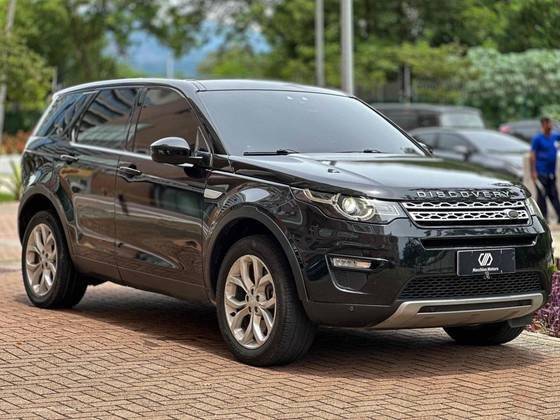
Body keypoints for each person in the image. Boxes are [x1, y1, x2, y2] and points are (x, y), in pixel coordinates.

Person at [530, 116, 560, 222]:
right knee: (542, 196)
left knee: (554, 195)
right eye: (549, 123)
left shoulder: (555, 136)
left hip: (551, 173)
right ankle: (543, 219)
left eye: (551, 123)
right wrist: (533, 171)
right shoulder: (537, 138)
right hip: (541, 172)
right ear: (544, 125)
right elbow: (532, 155)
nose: (550, 125)